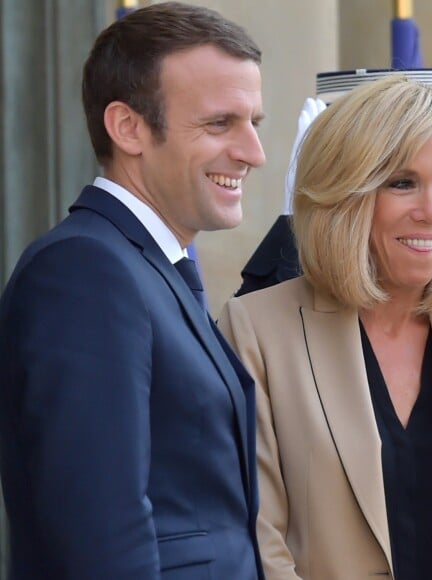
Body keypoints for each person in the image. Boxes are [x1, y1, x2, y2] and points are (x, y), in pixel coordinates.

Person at [218, 75, 432, 579]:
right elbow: (259, 537)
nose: (431, 212)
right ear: (345, 192)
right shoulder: (255, 330)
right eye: (402, 182)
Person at [0, 3, 266, 578]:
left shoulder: (145, 267)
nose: (253, 152)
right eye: (220, 123)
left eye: (254, 124)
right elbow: (100, 535)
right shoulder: (83, 271)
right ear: (128, 128)